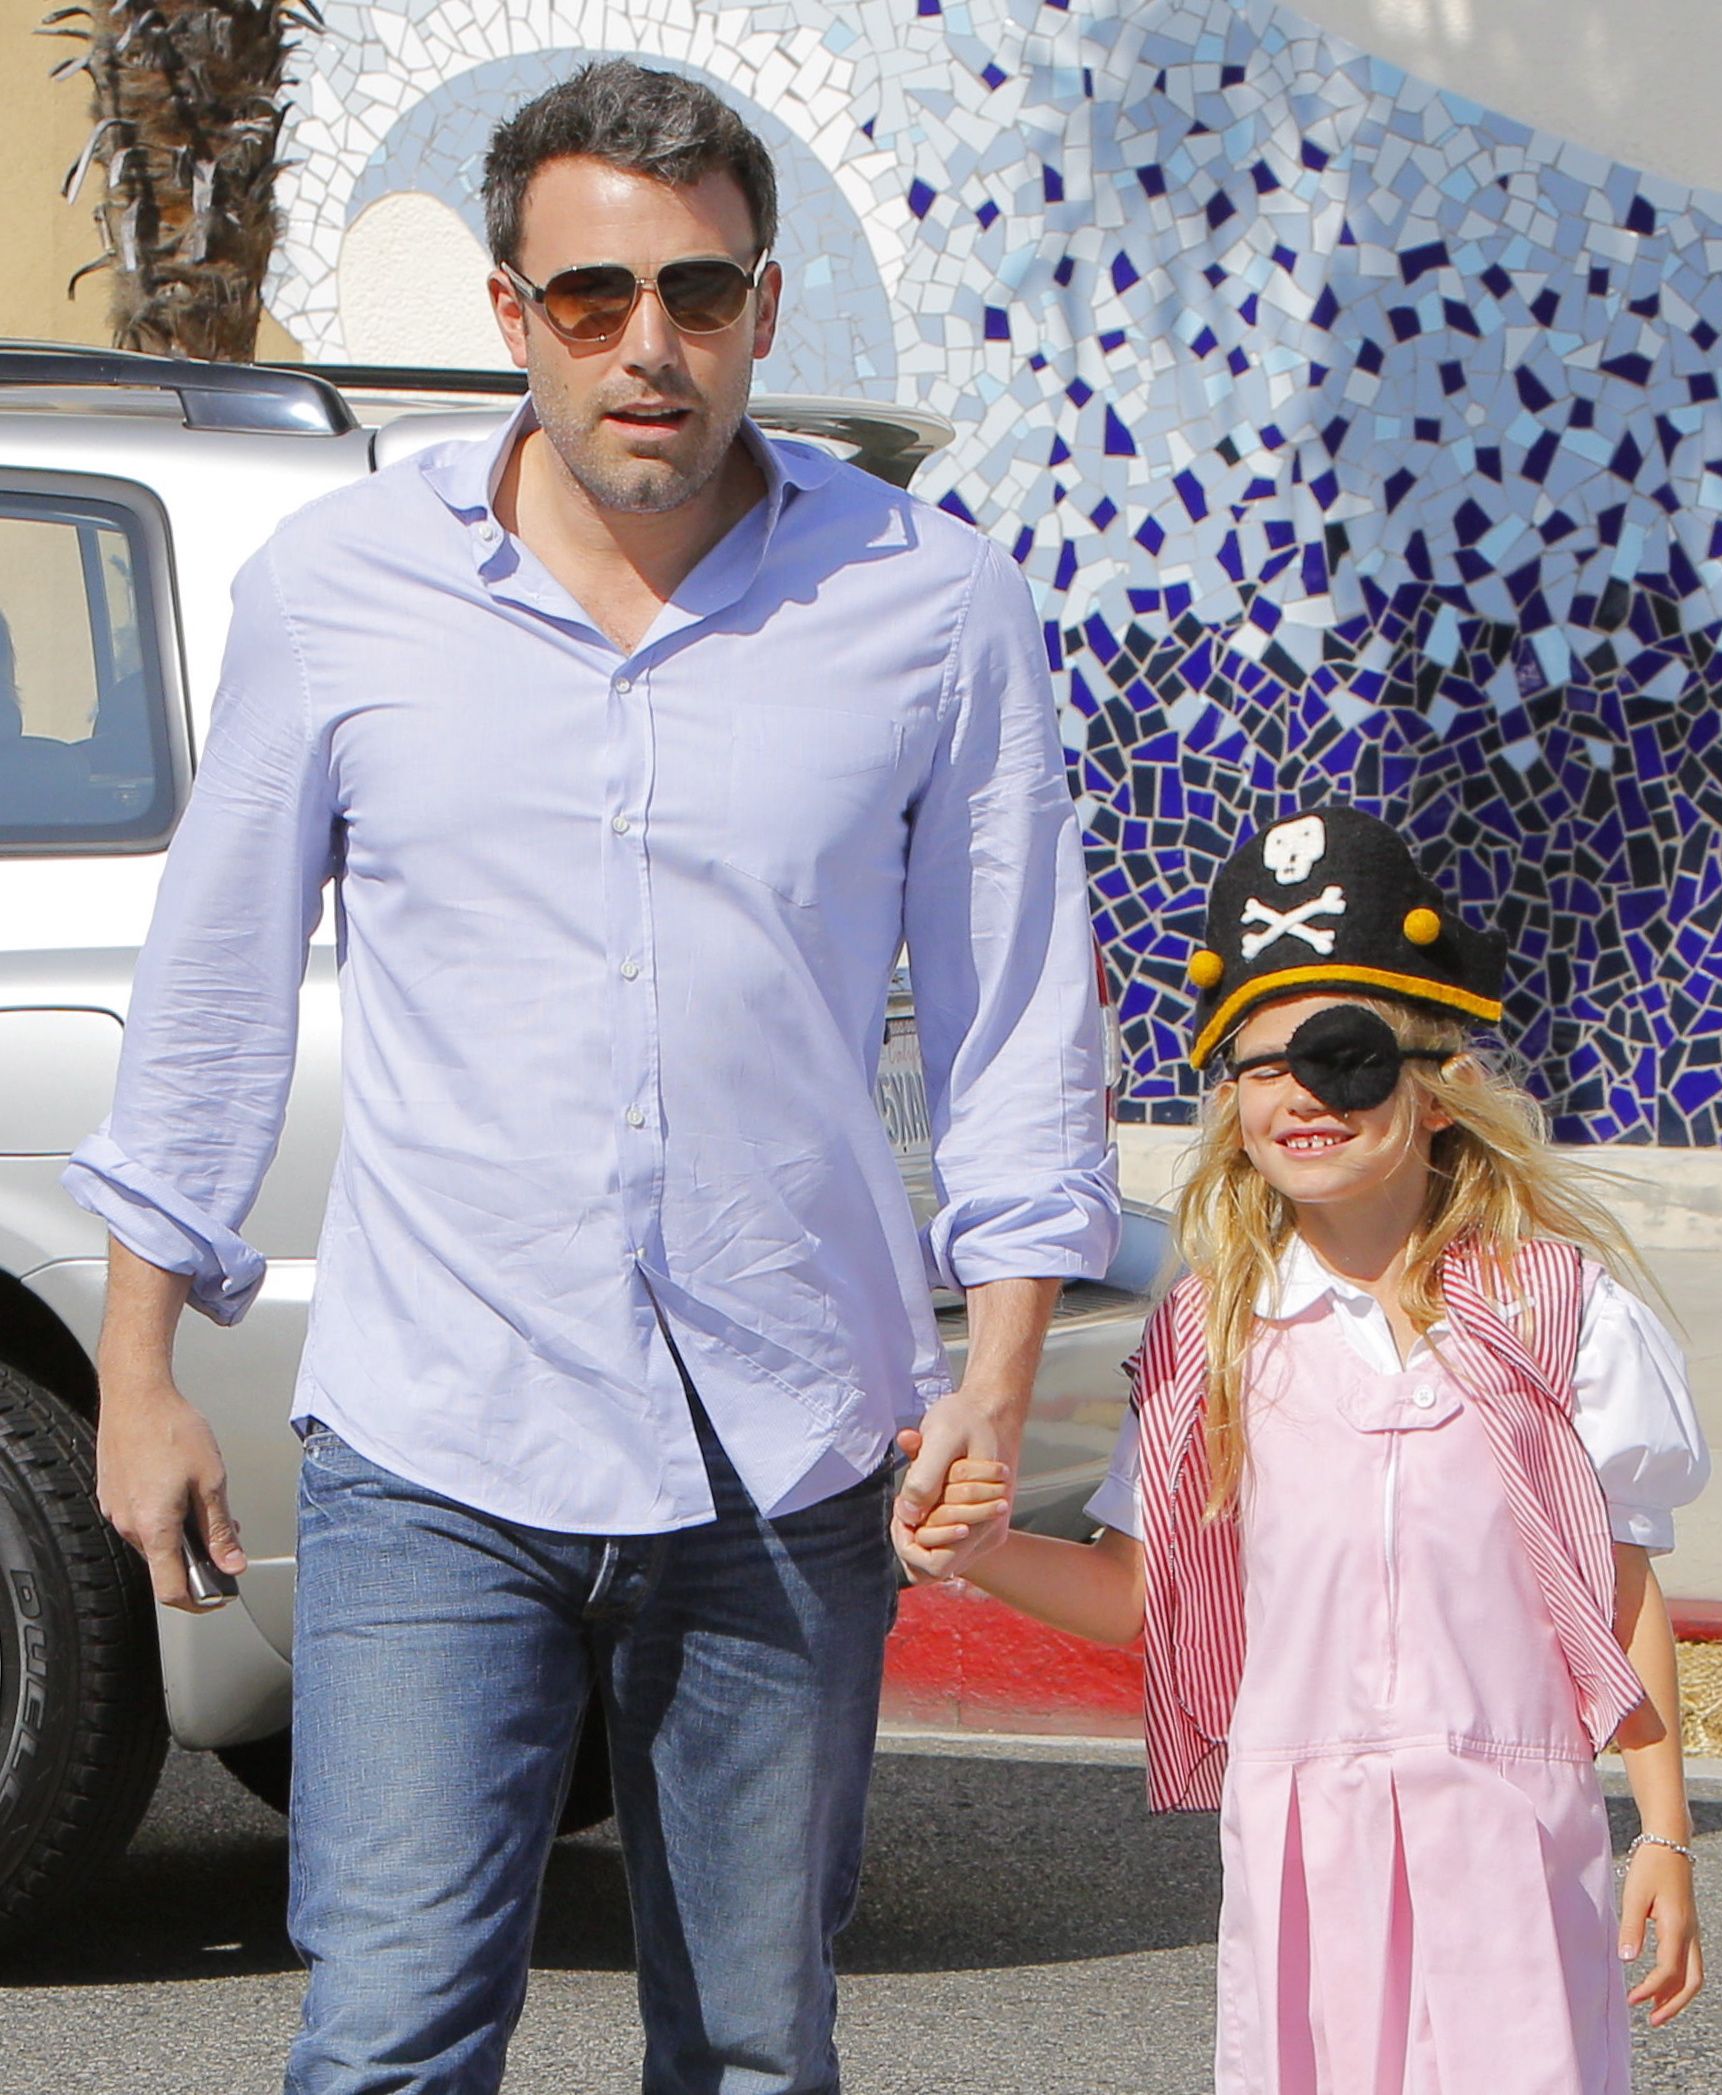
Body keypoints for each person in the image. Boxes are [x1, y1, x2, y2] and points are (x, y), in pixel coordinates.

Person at [64, 58, 1119, 2095]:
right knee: (388, 2037)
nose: (650, 345)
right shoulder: (338, 592)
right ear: (510, 312)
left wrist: (991, 1380)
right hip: (435, 1437)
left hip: (785, 1447)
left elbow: (1015, 1024)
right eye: (591, 297)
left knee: (750, 2049)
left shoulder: (929, 605)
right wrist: (136, 1373)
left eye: (698, 293)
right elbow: (208, 994)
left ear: (763, 306)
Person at [902, 804, 1708, 2094]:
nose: (1300, 1096)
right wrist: (980, 1546)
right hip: (1303, 1856)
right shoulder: (1214, 1337)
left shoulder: (1558, 1315)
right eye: (1259, 1064)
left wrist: (1663, 1833)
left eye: (1344, 1056)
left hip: (1507, 1840)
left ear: (1437, 1090)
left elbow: (1617, 1590)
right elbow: (1134, 1596)